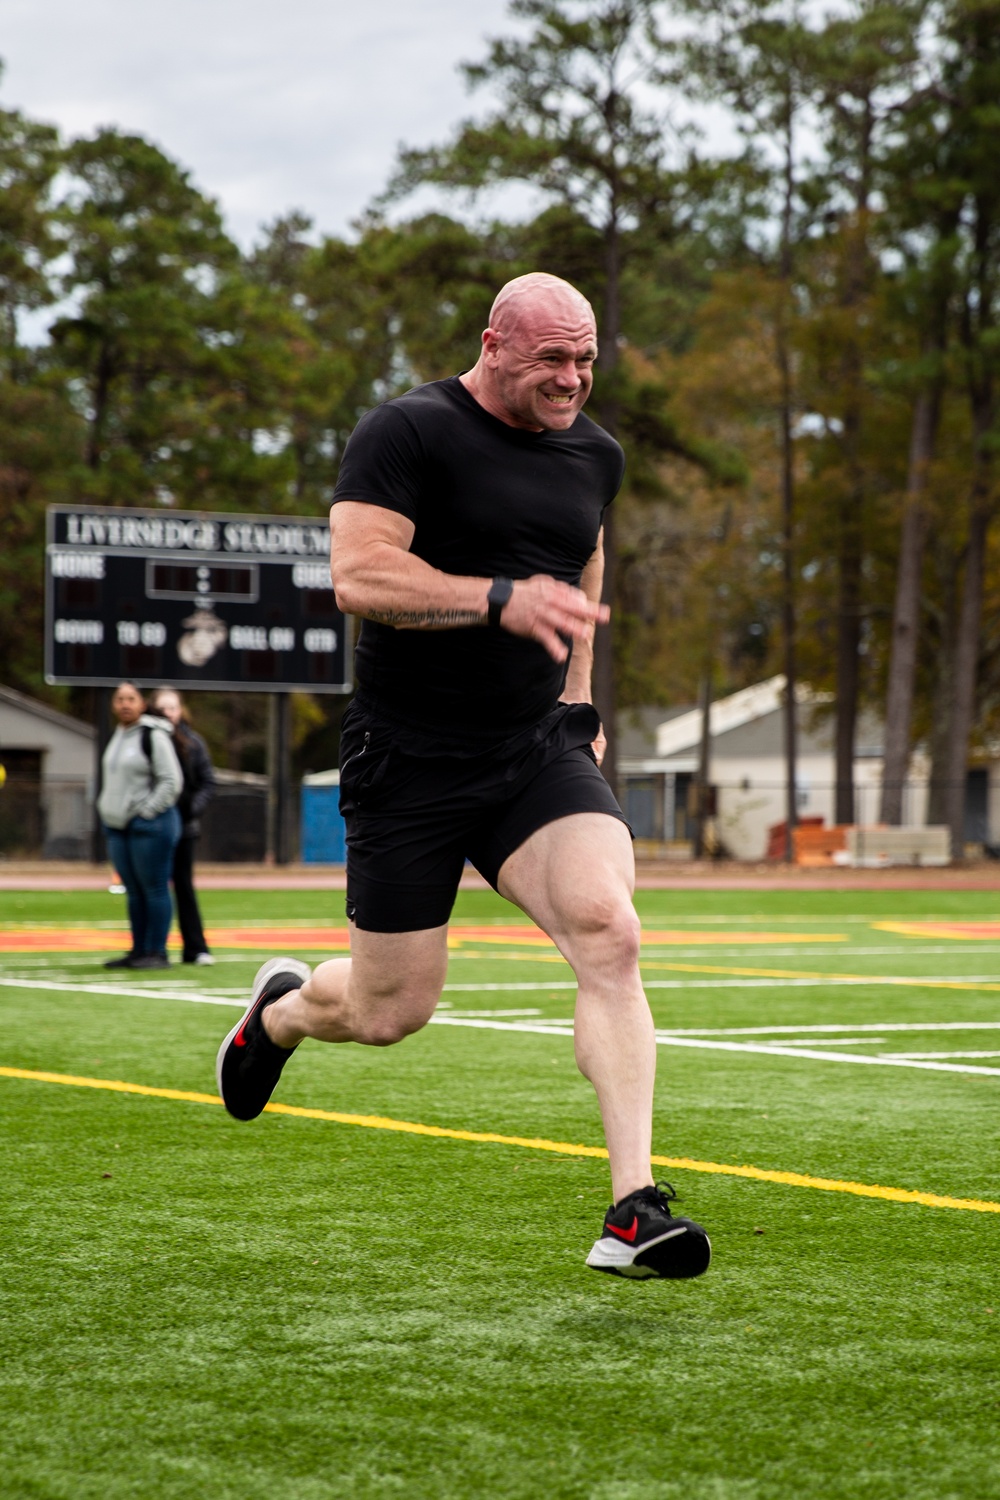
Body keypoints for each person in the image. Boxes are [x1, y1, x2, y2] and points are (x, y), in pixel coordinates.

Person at [216, 272, 712, 1281]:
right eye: (550, 361)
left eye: (585, 360)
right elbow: (358, 576)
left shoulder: (596, 453)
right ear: (494, 345)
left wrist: (579, 693)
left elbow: (585, 557)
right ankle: (280, 1013)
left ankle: (633, 1211)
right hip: (408, 759)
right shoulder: (404, 433)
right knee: (389, 1012)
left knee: (609, 930)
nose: (571, 380)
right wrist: (496, 598)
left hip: (533, 750)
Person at [98, 681, 183, 970]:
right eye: (119, 698)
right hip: (119, 827)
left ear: (142, 704)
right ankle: (138, 951)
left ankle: (157, 952)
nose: (124, 704)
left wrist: (145, 812)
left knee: (155, 888)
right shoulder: (117, 735)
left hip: (151, 826)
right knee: (134, 890)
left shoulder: (153, 735)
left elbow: (172, 780)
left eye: (131, 698)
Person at [149, 687, 217, 966]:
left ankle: (195, 947)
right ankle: (151, 948)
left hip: (183, 828)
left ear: (181, 711)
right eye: (163, 708)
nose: (169, 713)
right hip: (151, 827)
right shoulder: (146, 740)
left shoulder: (193, 743)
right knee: (152, 887)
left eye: (173, 708)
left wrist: (190, 810)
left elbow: (207, 781)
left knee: (184, 886)